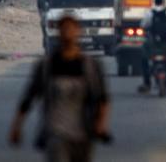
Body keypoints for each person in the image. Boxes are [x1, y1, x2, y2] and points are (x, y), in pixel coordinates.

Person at [9, 15, 110, 162]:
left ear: (78, 32)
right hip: (55, 132)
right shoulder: (46, 66)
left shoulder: (90, 66)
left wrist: (100, 124)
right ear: (59, 33)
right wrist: (17, 126)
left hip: (83, 134)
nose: (68, 33)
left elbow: (102, 98)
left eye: (71, 29)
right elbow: (28, 98)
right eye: (64, 29)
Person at [138, 0, 166, 94]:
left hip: (153, 43)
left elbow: (143, 25)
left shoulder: (149, 13)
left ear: (154, 2)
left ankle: (147, 83)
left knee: (144, 59)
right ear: (163, 2)